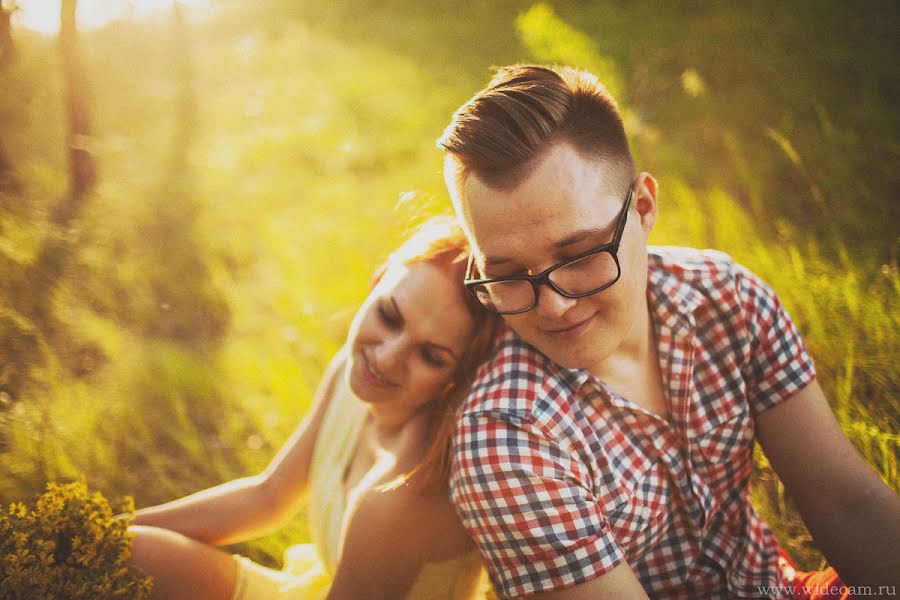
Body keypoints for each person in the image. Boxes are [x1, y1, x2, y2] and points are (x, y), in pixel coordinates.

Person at [437, 64, 900, 599]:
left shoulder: (726, 298)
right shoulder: (506, 438)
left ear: (645, 207)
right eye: (510, 275)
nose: (555, 306)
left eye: (581, 253)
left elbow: (849, 504)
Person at [126, 217, 499, 600]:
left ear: (460, 376)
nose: (386, 358)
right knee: (127, 551)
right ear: (378, 278)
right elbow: (268, 496)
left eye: (431, 356)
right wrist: (105, 526)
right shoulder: (354, 373)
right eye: (388, 316)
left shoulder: (399, 494)